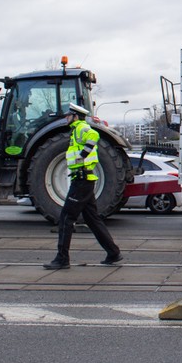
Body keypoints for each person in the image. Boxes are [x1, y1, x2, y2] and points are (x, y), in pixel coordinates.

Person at [43, 103, 123, 269]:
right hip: (84, 179)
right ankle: (113, 252)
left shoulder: (81, 127)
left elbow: (94, 135)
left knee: (66, 217)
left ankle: (62, 258)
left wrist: (83, 155)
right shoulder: (75, 130)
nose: (66, 117)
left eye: (68, 115)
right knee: (92, 219)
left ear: (75, 116)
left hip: (82, 180)